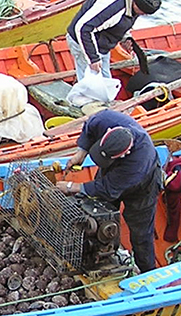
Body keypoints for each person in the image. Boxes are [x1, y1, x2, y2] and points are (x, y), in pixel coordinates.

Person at [54, 109, 162, 274]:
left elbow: (107, 189)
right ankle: (99, 257)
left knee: (141, 235)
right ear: (107, 133)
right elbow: (90, 126)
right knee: (95, 212)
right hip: (111, 172)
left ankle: (149, 274)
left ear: (124, 154)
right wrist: (80, 153)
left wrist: (72, 187)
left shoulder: (139, 162)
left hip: (143, 188)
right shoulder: (105, 119)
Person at [65, 0, 162, 82]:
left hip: (102, 44)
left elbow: (122, 21)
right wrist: (93, 58)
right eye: (142, 12)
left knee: (105, 79)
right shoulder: (112, 7)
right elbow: (83, 28)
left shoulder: (134, 2)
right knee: (89, 83)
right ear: (135, 3)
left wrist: (125, 37)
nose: (143, 14)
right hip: (82, 41)